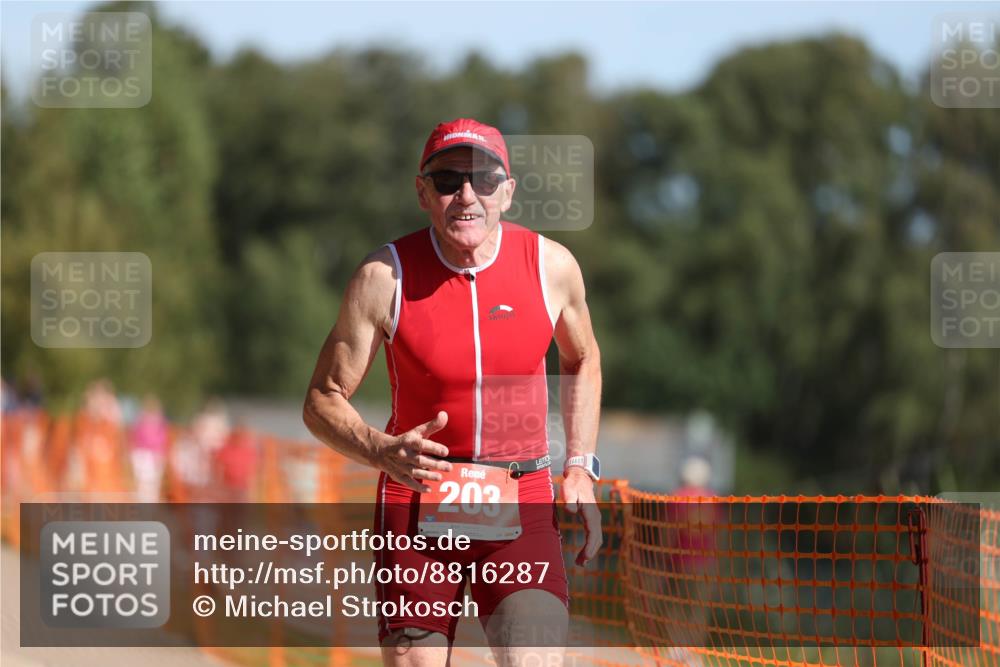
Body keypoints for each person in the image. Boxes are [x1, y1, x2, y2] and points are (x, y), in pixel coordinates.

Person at [304, 118, 603, 667]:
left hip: (521, 495)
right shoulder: (382, 277)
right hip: (417, 500)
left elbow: (583, 358)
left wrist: (581, 466)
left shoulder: (551, 267)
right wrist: (378, 449)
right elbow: (322, 398)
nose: (467, 195)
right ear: (422, 192)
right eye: (447, 180)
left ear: (507, 192)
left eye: (484, 179)